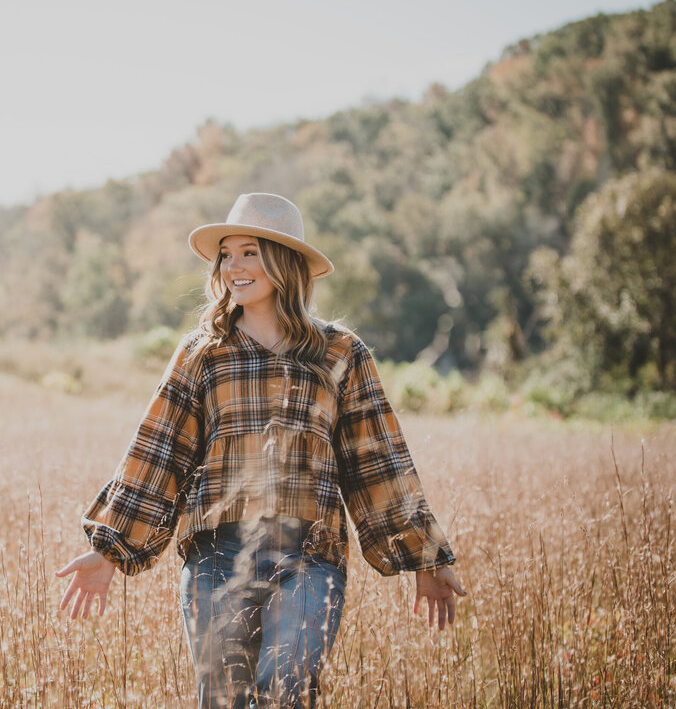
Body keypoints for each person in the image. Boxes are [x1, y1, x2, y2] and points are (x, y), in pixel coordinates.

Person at [55, 193, 466, 708]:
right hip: (216, 558)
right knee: (222, 700)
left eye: (249, 252)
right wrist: (109, 548)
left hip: (311, 559)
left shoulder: (341, 353)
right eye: (226, 255)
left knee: (287, 694)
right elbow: (159, 450)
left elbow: (377, 460)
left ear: (284, 261)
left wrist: (425, 555)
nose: (234, 267)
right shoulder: (202, 351)